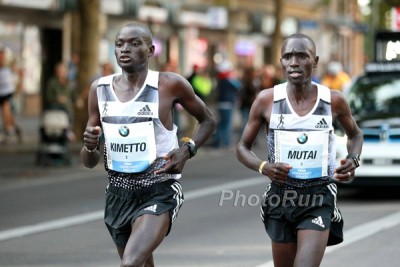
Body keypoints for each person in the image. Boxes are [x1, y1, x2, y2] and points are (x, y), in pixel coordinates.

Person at [80, 22, 216, 267]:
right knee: (141, 264)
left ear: (151, 50)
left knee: (130, 263)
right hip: (118, 194)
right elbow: (89, 162)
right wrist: (89, 146)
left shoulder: (169, 84)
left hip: (158, 189)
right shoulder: (99, 90)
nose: (125, 49)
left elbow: (207, 120)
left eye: (135, 43)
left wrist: (187, 150)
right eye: (120, 44)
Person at [236, 33, 363, 267]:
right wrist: (264, 167)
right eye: (287, 57)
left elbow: (355, 135)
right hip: (281, 197)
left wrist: (353, 159)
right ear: (281, 62)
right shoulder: (266, 100)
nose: (294, 62)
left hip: (319, 195)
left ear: (315, 61)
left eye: (301, 56)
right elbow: (243, 147)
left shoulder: (333, 100)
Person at [212, 60, 242, 149]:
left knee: (221, 123)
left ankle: (218, 142)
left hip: (220, 104)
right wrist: (233, 77)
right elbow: (239, 86)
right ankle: (226, 142)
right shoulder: (228, 80)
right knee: (227, 124)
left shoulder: (220, 79)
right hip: (227, 104)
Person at [0, 45, 22, 143]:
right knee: (7, 114)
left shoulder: (8, 65)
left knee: (6, 110)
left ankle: (7, 131)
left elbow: (18, 73)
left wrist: (18, 87)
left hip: (7, 92)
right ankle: (15, 128)